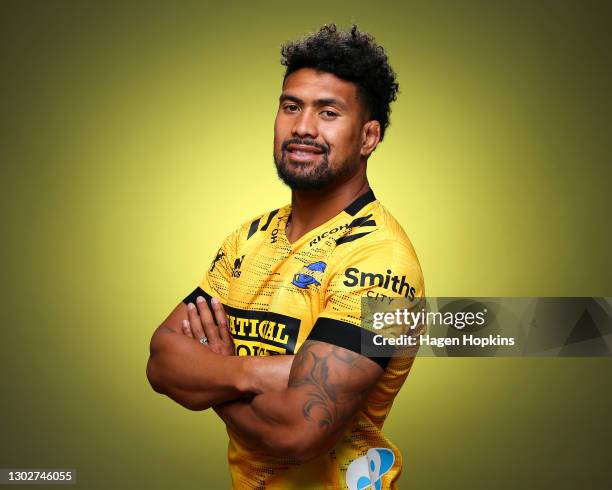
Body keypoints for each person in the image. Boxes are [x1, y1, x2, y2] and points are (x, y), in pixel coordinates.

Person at [146, 24, 425, 489]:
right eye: (290, 106)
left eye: (329, 112)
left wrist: (214, 373)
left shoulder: (382, 260)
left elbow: (298, 430)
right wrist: (251, 370)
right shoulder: (249, 238)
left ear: (369, 136)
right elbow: (161, 360)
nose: (302, 127)